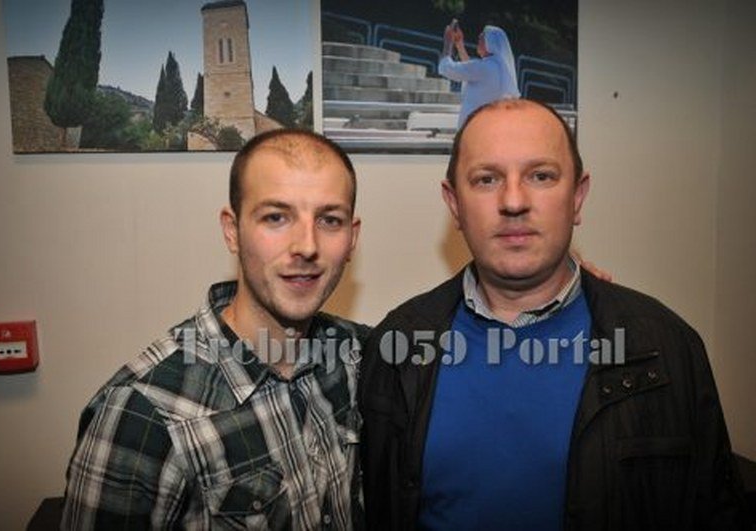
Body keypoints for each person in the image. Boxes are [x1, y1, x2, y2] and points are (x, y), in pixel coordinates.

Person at [359, 99, 747, 530]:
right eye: (487, 179)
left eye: (541, 176)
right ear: (455, 205)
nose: (513, 201)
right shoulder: (396, 346)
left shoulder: (667, 347)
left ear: (577, 197)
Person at [61, 129, 368, 530]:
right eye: (276, 217)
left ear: (352, 239)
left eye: (329, 220)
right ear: (231, 231)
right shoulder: (143, 412)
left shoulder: (359, 356)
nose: (306, 246)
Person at [439, 22, 520, 128]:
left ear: (489, 43)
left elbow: (446, 68)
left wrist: (448, 42)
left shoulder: (484, 67)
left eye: (481, 39)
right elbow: (470, 70)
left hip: (473, 128)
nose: (478, 41)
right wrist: (459, 44)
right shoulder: (499, 67)